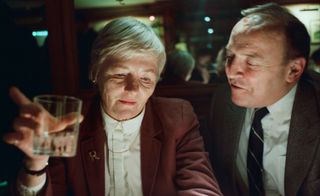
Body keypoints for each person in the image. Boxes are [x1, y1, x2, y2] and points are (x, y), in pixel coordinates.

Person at [3, 17, 222, 196]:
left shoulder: (178, 117)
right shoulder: (66, 121)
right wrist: (36, 162)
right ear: (94, 72)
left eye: (146, 79)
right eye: (119, 75)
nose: (133, 89)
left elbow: (201, 186)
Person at [208, 3, 320, 196]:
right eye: (229, 56)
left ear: (293, 70)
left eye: (251, 62)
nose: (231, 72)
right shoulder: (223, 100)